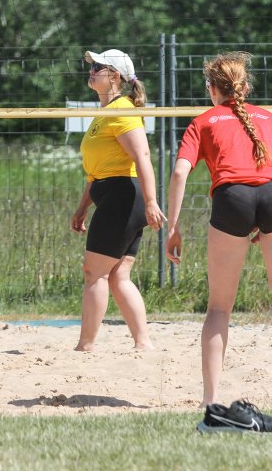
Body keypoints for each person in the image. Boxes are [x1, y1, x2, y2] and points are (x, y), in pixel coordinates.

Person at [166, 52, 272, 408]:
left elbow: (179, 174)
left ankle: (210, 402)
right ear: (245, 87)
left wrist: (173, 228)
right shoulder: (269, 118)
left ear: (212, 88)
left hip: (232, 196)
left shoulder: (204, 120)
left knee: (220, 308)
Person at [71, 49, 165, 351]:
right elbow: (97, 171)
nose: (91, 70)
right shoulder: (106, 111)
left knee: (93, 272)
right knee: (118, 275)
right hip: (118, 195)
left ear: (115, 76)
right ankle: (144, 343)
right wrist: (82, 207)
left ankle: (85, 346)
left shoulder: (121, 109)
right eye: (92, 66)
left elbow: (143, 155)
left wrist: (152, 201)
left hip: (124, 196)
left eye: (98, 66)